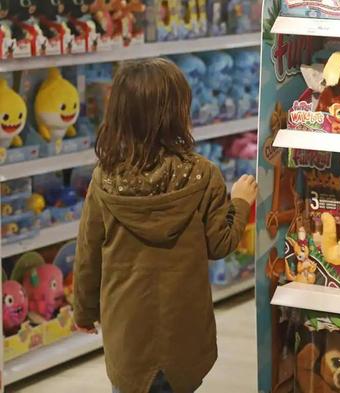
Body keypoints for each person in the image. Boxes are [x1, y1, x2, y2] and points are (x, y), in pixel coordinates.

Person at [73, 58, 258, 393]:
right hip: (183, 331)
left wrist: (84, 311)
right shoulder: (203, 175)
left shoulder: (104, 180)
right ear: (178, 112)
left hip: (127, 333)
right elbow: (221, 244)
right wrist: (241, 201)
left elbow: (88, 253)